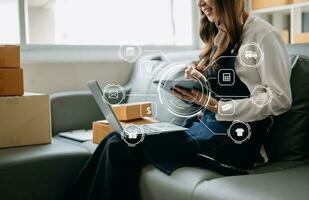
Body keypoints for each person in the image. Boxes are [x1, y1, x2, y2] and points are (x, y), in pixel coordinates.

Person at [70, 0, 292, 199]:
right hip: (205, 129)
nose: (200, 4)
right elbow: (219, 92)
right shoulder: (221, 34)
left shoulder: (264, 36)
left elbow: (280, 99)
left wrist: (217, 106)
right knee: (116, 137)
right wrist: (198, 82)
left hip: (235, 142)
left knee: (122, 144)